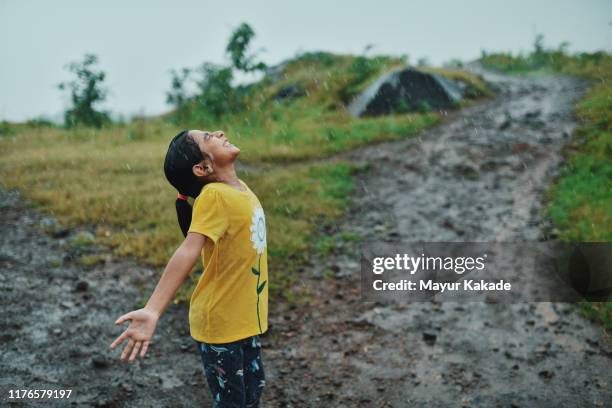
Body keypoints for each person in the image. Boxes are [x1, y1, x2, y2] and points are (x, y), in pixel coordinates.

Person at [110, 129, 268, 407]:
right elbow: (188, 251)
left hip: (244, 322)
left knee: (253, 395)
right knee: (234, 403)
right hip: (221, 326)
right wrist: (153, 309)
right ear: (202, 167)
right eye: (208, 137)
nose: (219, 132)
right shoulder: (214, 196)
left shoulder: (239, 188)